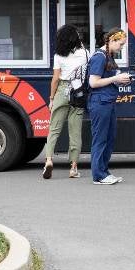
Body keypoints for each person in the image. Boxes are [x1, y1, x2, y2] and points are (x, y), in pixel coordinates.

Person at [41, 25, 87, 179]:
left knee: (54, 128)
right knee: (75, 131)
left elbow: (55, 80)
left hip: (62, 90)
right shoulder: (85, 53)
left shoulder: (59, 55)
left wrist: (51, 99)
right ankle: (73, 167)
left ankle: (48, 160)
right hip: (78, 92)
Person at [87, 28, 130, 185]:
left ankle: (103, 172)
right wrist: (116, 78)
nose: (121, 47)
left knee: (109, 138)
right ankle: (98, 175)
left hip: (106, 101)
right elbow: (93, 82)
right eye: (121, 44)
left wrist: (117, 79)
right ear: (112, 40)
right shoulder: (100, 57)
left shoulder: (107, 56)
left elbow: (103, 79)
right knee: (101, 139)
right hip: (100, 102)